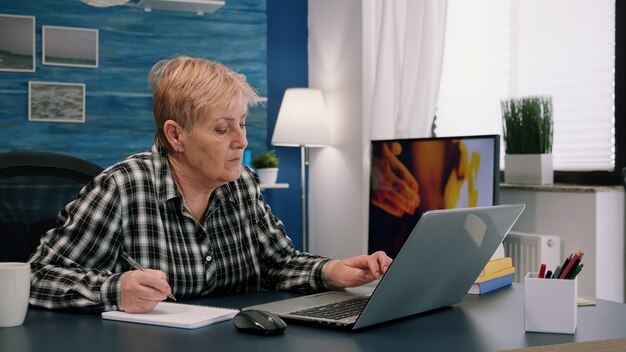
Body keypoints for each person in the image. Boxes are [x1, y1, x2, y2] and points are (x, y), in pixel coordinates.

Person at [28, 55, 392, 314]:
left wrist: (332, 271)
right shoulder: (123, 187)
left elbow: (277, 264)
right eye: (222, 128)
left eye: (243, 123)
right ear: (176, 135)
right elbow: (38, 278)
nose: (242, 141)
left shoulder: (243, 183)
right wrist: (114, 290)